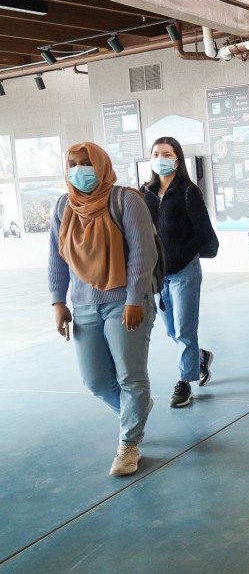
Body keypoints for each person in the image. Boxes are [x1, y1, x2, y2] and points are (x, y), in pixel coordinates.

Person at [48, 142, 159, 475]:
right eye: (73, 163)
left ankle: (129, 444)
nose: (80, 170)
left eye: (87, 163)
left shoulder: (126, 199)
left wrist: (135, 299)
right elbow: (56, 257)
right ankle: (136, 410)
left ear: (101, 165)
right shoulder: (62, 207)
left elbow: (143, 252)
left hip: (124, 302)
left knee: (130, 377)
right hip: (83, 306)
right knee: (95, 381)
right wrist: (58, 301)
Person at [141, 137, 219, 408]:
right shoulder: (144, 193)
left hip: (185, 270)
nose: (159, 158)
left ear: (177, 159)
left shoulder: (188, 192)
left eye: (166, 153)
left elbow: (204, 235)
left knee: (185, 330)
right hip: (159, 275)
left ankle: (185, 382)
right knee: (172, 330)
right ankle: (200, 356)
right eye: (155, 153)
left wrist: (181, 255)